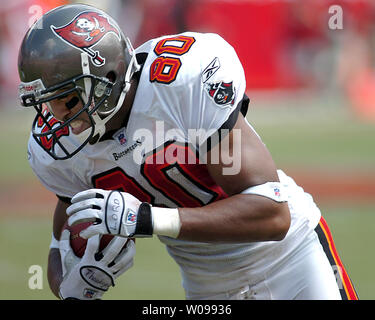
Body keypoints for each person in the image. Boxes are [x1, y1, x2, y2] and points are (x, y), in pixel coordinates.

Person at [18, 4, 358, 300]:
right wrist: (74, 287)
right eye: (46, 102)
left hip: (290, 259)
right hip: (207, 286)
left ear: (105, 78)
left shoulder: (179, 82)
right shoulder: (60, 149)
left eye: (66, 99)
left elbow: (272, 213)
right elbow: (61, 248)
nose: (55, 117)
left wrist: (147, 219)